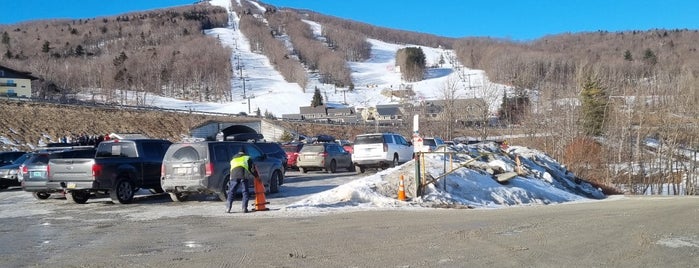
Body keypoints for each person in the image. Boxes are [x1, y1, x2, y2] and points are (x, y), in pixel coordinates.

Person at [226, 147, 257, 213]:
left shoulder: (233, 158)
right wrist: (256, 176)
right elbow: (252, 169)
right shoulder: (247, 157)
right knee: (245, 192)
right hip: (243, 175)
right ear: (244, 152)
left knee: (231, 192)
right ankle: (244, 208)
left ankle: (228, 208)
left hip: (234, 175)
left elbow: (231, 167)